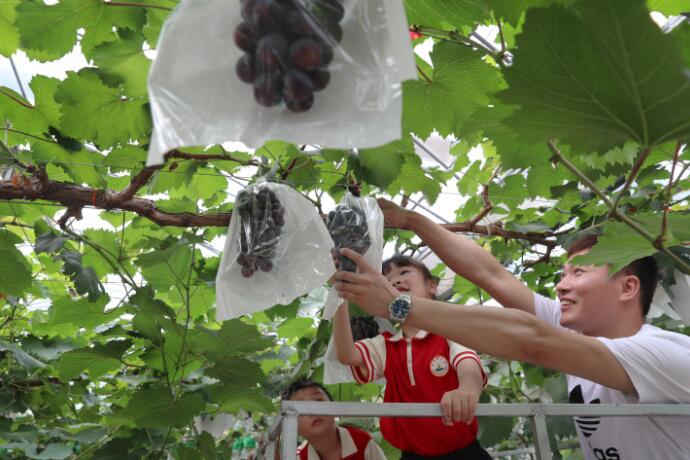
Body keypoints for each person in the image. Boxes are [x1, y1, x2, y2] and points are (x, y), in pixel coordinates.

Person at [332, 199, 690, 460]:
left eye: (578, 273)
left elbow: (530, 340)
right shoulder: (579, 335)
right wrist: (412, 220)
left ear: (628, 288)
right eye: (562, 274)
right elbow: (491, 275)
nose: (561, 286)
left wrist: (398, 306)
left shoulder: (662, 354)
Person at [333, 255, 492, 460]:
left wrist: (467, 390)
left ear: (432, 286)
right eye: (387, 280)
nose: (395, 281)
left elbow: (468, 364)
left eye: (404, 272)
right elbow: (347, 355)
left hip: (465, 453)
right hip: (412, 455)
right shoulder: (386, 345)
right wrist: (340, 294)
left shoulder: (449, 332)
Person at [282, 378, 387, 460]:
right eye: (303, 408)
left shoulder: (361, 441)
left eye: (319, 401)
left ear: (334, 408)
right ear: (294, 427)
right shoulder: (301, 458)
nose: (313, 410)